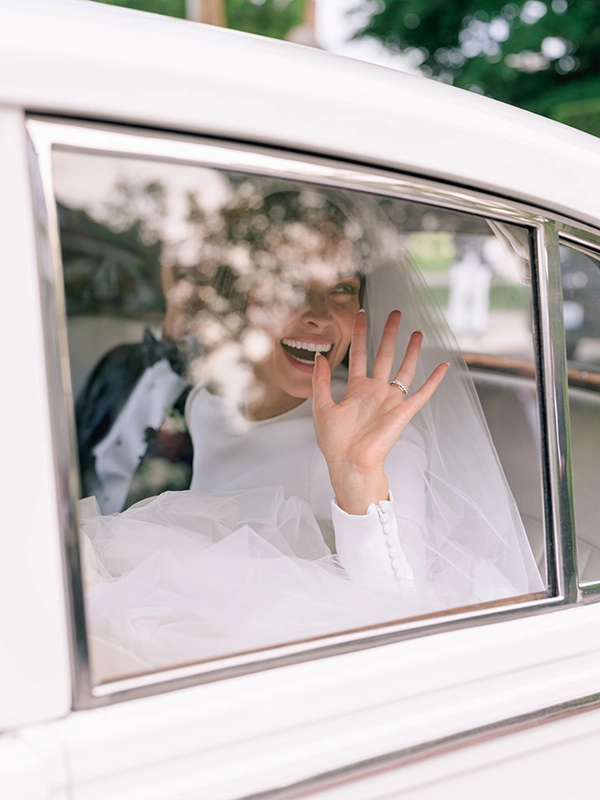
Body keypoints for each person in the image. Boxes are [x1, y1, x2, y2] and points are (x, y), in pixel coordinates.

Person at [80, 187, 544, 674]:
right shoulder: (207, 403)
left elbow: (402, 608)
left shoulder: (380, 436)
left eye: (341, 289)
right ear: (239, 297)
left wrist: (357, 472)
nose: (319, 313)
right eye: (288, 281)